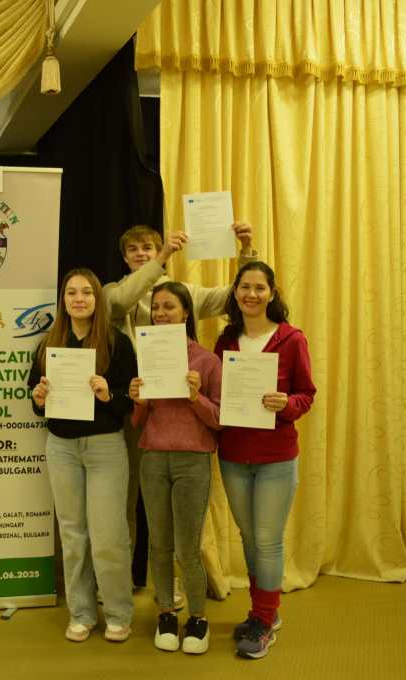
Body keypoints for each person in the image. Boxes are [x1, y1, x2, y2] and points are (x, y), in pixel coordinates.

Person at [104, 223, 255, 597]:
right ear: (124, 257)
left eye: (149, 247)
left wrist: (246, 250)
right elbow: (120, 304)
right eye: (134, 249)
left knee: (181, 507)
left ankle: (185, 578)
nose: (142, 254)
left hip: (184, 417)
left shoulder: (184, 292)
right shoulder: (113, 292)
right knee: (128, 500)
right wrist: (162, 258)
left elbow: (232, 298)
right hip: (138, 410)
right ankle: (125, 581)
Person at [27, 268, 137, 643]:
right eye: (72, 292)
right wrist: (38, 398)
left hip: (105, 447)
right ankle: (82, 612)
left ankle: (118, 612)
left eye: (87, 292)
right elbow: (35, 399)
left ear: (97, 299)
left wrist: (110, 395)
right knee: (73, 535)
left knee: (108, 535)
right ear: (63, 300)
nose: (79, 299)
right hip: (61, 448)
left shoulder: (117, 343)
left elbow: (131, 400)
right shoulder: (48, 345)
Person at [213, 261, 315, 659]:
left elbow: (306, 394)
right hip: (234, 455)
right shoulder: (226, 339)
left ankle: (263, 621)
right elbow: (217, 393)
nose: (251, 294)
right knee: (249, 537)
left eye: (259, 287)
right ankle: (264, 613)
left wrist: (286, 404)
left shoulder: (291, 339)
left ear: (272, 293)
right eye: (244, 287)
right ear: (235, 293)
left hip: (275, 458)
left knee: (268, 540)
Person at [128, 282, 221, 654]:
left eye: (169, 307)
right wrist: (139, 400)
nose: (161, 313)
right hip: (153, 458)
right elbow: (138, 421)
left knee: (187, 547)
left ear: (185, 313)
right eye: (156, 308)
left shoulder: (206, 360)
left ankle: (197, 618)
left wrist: (196, 397)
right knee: (159, 544)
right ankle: (166, 612)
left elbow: (220, 419)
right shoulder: (146, 356)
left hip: (192, 461)